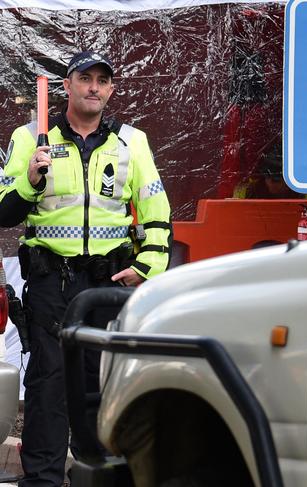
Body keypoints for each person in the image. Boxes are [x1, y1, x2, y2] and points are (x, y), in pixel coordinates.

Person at [0, 51, 172, 486]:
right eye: (85, 78)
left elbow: (156, 210)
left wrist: (148, 266)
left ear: (111, 89)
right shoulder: (31, 136)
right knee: (48, 382)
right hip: (49, 281)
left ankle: (98, 475)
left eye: (102, 80)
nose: (94, 87)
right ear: (68, 86)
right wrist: (31, 182)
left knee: (102, 381)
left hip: (107, 281)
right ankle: (41, 478)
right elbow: (4, 212)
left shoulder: (132, 141)